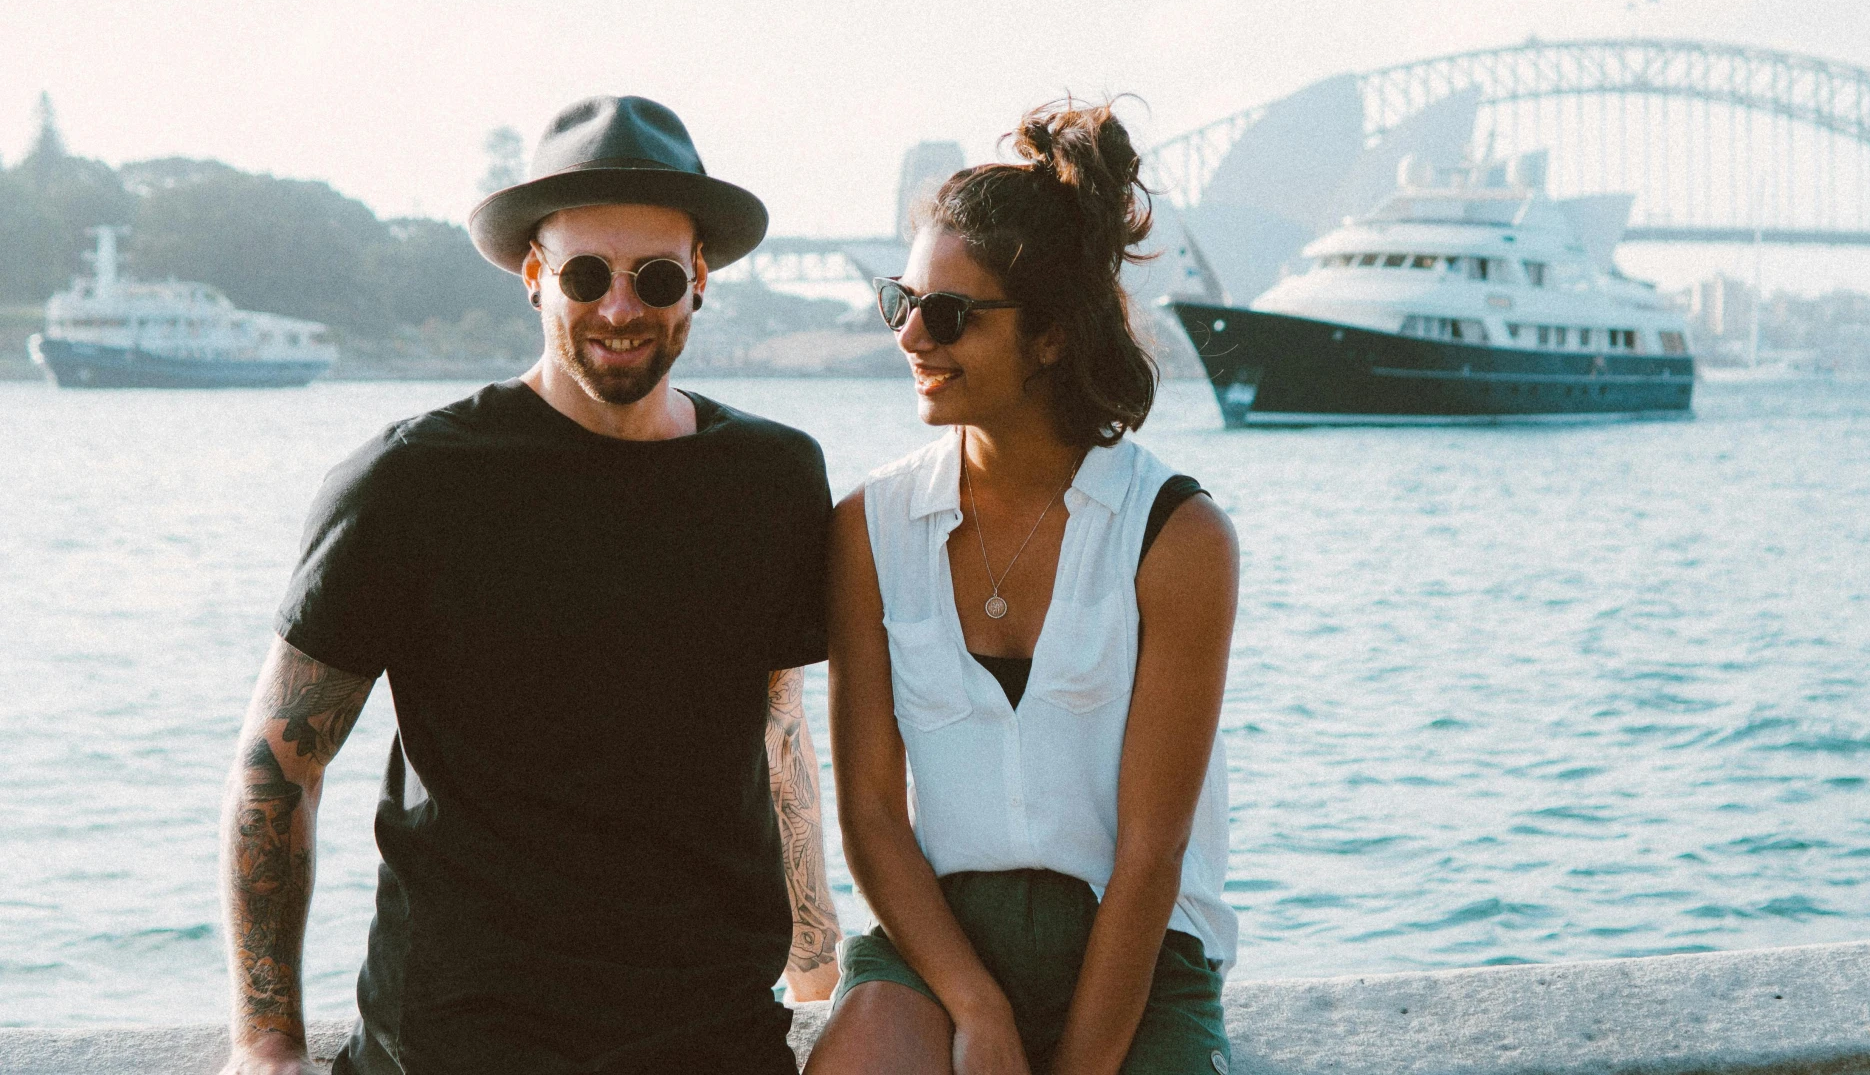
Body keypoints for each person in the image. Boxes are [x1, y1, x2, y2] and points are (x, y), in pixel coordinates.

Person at [216, 95, 839, 1075]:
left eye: (657, 276)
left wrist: (816, 962)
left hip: (709, 1038)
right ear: (535, 276)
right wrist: (264, 1043)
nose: (621, 307)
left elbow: (778, 726)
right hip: (460, 1043)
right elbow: (276, 769)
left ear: (701, 281)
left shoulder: (773, 478)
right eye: (586, 273)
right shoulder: (407, 483)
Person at [811, 100, 1239, 1075]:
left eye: (949, 314)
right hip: (937, 947)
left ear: (1048, 337)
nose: (912, 335)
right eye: (900, 301)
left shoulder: (1174, 537)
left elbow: (1146, 859)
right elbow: (872, 814)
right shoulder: (866, 531)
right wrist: (976, 1009)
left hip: (1138, 952)